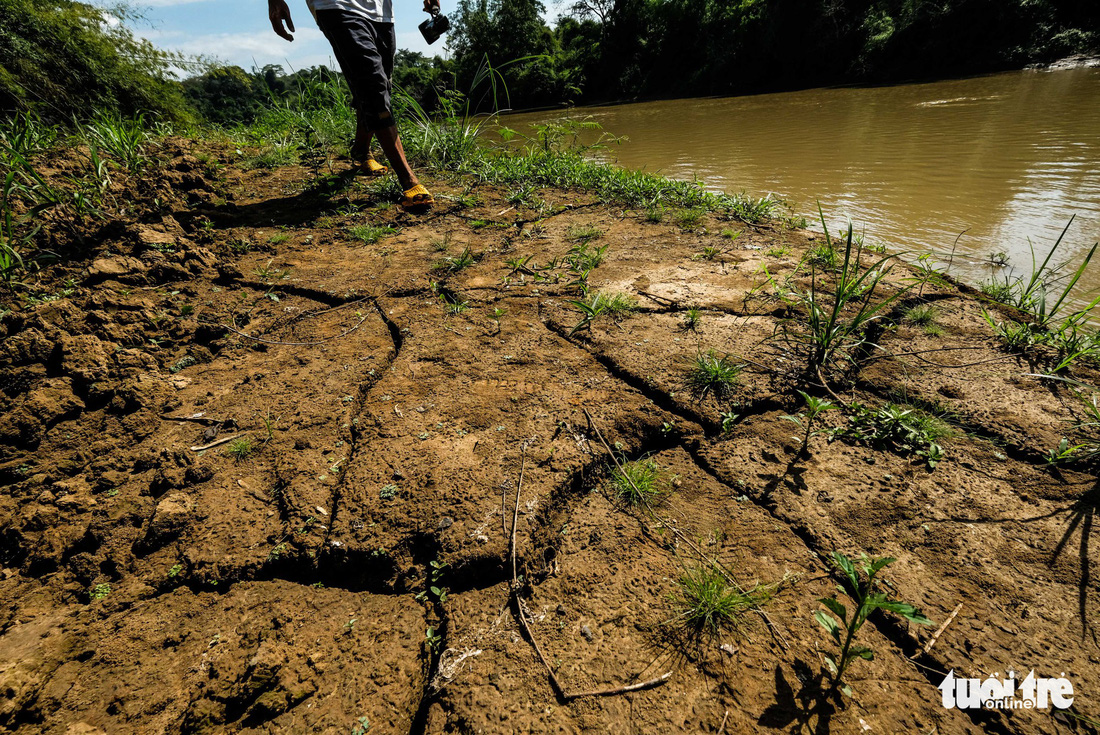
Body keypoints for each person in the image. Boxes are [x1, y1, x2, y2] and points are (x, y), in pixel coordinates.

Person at [267, 0, 435, 210]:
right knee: (372, 83)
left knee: (378, 84)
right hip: (336, 5)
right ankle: (409, 180)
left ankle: (361, 150)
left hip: (380, 11)